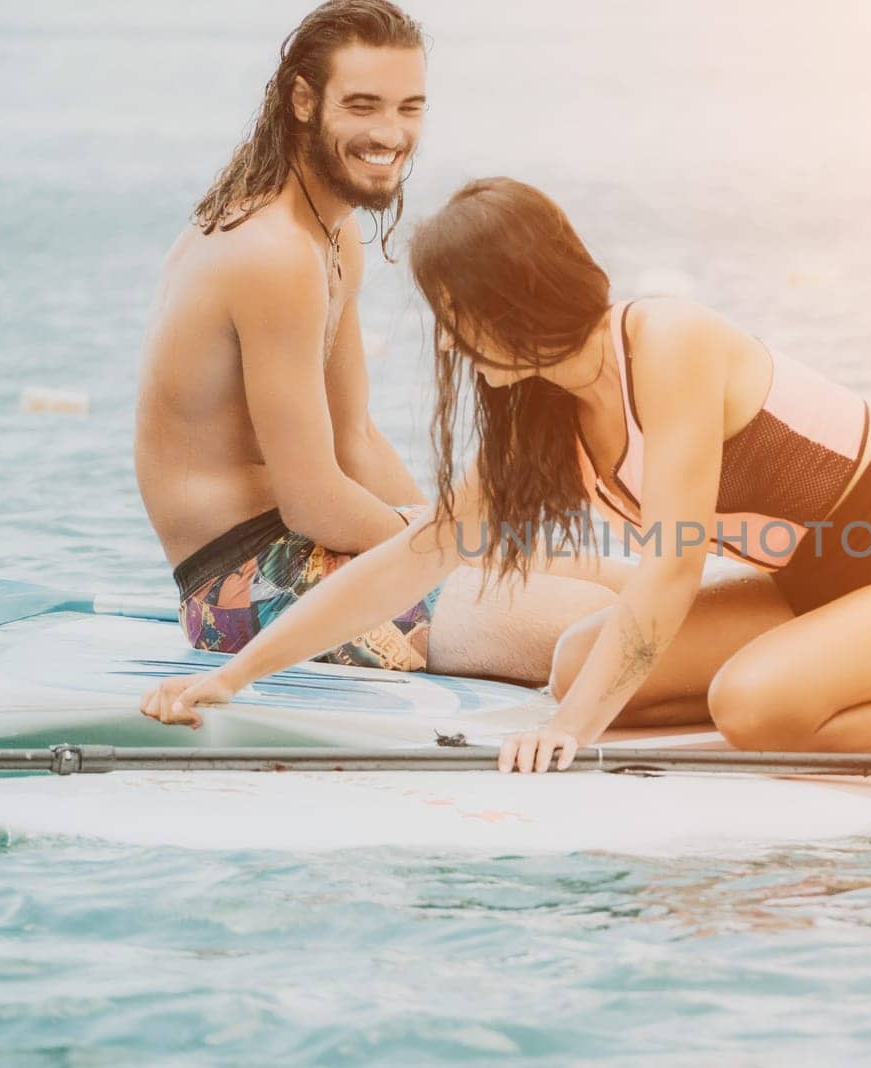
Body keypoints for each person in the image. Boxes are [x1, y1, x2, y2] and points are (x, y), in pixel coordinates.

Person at [142, 177, 871, 772]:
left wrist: (571, 734)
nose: (451, 341)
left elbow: (670, 570)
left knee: (755, 705)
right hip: (826, 587)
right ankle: (856, 679)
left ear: (513, 296)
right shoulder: (544, 417)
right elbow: (414, 559)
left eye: (456, 315)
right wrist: (241, 675)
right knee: (580, 657)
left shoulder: (669, 342)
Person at [133, 3, 615, 681]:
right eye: (363, 106)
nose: (390, 133)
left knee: (613, 577)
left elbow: (354, 437)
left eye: (408, 107)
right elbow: (312, 500)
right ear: (304, 101)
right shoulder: (273, 254)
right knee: (597, 620)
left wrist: (442, 536)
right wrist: (442, 550)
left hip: (312, 550)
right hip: (245, 586)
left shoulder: (331, 236)